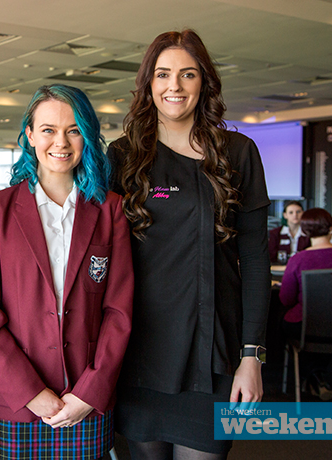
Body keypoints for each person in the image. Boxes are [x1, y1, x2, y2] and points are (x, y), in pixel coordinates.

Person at [107, 30, 270, 459]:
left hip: (214, 352)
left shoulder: (238, 153)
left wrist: (251, 357)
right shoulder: (122, 158)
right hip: (140, 352)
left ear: (204, 83)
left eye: (187, 74)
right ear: (149, 84)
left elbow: (255, 261)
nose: (174, 86)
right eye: (163, 75)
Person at [0, 84, 133, 460]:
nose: (61, 141)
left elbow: (118, 312)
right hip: (17, 399)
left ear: (87, 136)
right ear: (29, 134)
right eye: (48, 130)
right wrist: (29, 391)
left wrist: (90, 391)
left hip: (84, 397)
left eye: (73, 130)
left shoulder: (110, 211)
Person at [279, 208, 332, 400]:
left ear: (304, 231)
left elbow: (286, 299)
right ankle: (318, 376)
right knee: (323, 327)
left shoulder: (298, 259)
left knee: (287, 323)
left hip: (306, 326)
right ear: (331, 228)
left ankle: (313, 376)